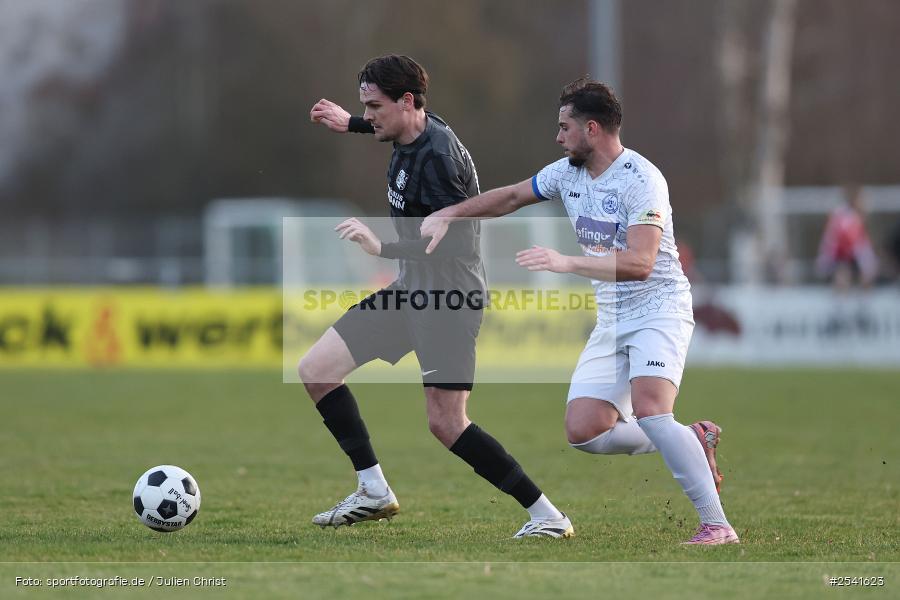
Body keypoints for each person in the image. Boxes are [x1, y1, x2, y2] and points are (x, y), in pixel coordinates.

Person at [421, 77, 738, 545]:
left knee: (651, 410)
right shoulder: (566, 173)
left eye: (564, 126)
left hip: (659, 309)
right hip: (612, 319)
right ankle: (691, 439)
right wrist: (451, 215)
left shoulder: (642, 180)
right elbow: (510, 196)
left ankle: (717, 525)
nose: (558, 136)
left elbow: (642, 264)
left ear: (592, 129)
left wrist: (566, 262)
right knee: (585, 431)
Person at [300, 55, 572, 538]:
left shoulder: (439, 159)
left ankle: (547, 515)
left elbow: (457, 241)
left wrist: (378, 245)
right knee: (316, 369)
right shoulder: (414, 127)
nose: (370, 113)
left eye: (374, 106)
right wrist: (354, 124)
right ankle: (373, 490)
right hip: (410, 291)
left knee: (447, 423)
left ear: (407, 101)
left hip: (449, 300)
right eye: (366, 105)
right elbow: (391, 126)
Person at [815, 185, 878, 290]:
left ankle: (863, 300)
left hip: (854, 254)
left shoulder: (857, 218)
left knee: (866, 274)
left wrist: (869, 260)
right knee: (843, 274)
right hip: (842, 254)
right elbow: (834, 239)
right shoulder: (842, 217)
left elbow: (862, 242)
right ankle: (841, 301)